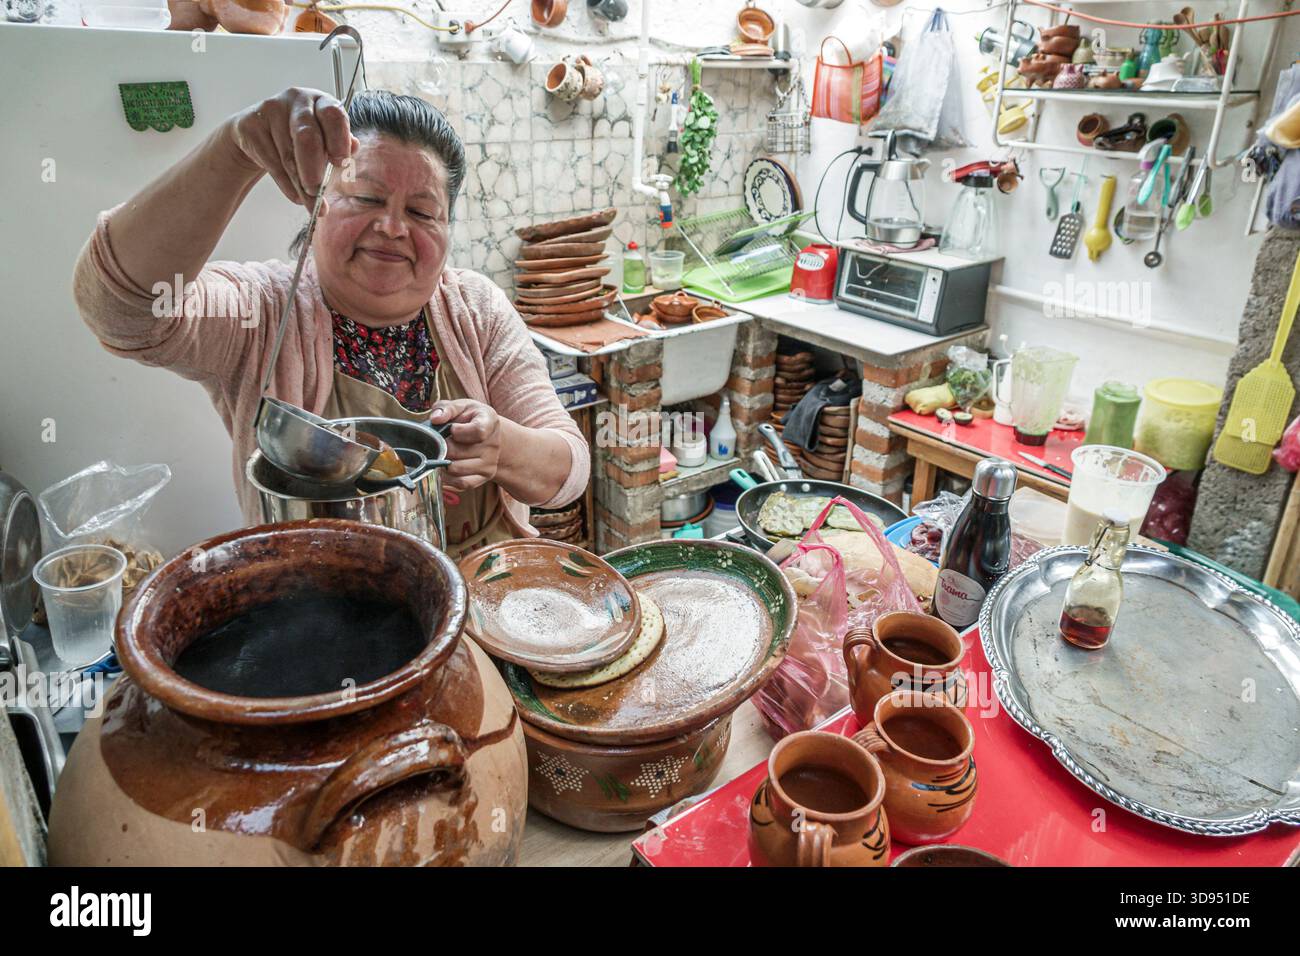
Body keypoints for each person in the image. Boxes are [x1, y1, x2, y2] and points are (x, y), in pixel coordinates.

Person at [73, 87, 588, 556]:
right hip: (317, 603)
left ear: (447, 229)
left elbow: (568, 470)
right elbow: (122, 311)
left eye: (422, 212)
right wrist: (234, 149)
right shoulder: (262, 310)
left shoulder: (474, 308)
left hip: (481, 591)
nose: (391, 227)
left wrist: (502, 448)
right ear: (317, 208)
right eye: (365, 199)